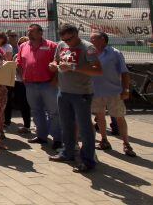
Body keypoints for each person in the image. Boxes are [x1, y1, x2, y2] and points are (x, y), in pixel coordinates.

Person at [48, 24, 103, 173]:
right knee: (66, 125)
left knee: (85, 128)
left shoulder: (88, 48)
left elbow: (98, 70)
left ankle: (88, 160)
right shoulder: (61, 45)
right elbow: (56, 62)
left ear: (76, 34)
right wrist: (54, 65)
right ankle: (68, 152)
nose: (67, 42)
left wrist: (73, 67)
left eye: (70, 39)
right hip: (64, 92)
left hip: (81, 93)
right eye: (64, 39)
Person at [90, 31, 136, 157]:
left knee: (119, 117)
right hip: (96, 91)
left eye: (93, 39)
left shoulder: (115, 53)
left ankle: (126, 144)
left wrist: (126, 90)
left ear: (103, 40)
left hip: (113, 92)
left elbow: (124, 72)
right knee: (100, 117)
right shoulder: (90, 53)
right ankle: (104, 140)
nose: (91, 41)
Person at [17, 23, 62, 149]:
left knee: (53, 112)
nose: (29, 33)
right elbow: (19, 63)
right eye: (28, 31)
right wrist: (23, 77)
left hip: (48, 84)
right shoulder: (23, 46)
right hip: (30, 85)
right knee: (36, 111)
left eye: (32, 31)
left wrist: (55, 79)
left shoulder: (52, 46)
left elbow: (59, 63)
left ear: (40, 33)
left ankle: (58, 139)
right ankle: (41, 136)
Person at [5, 36, 32, 134]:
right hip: (15, 81)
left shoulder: (29, 54)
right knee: (10, 101)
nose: (21, 45)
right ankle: (6, 121)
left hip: (24, 82)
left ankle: (27, 125)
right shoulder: (16, 55)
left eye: (24, 43)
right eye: (20, 43)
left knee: (24, 104)